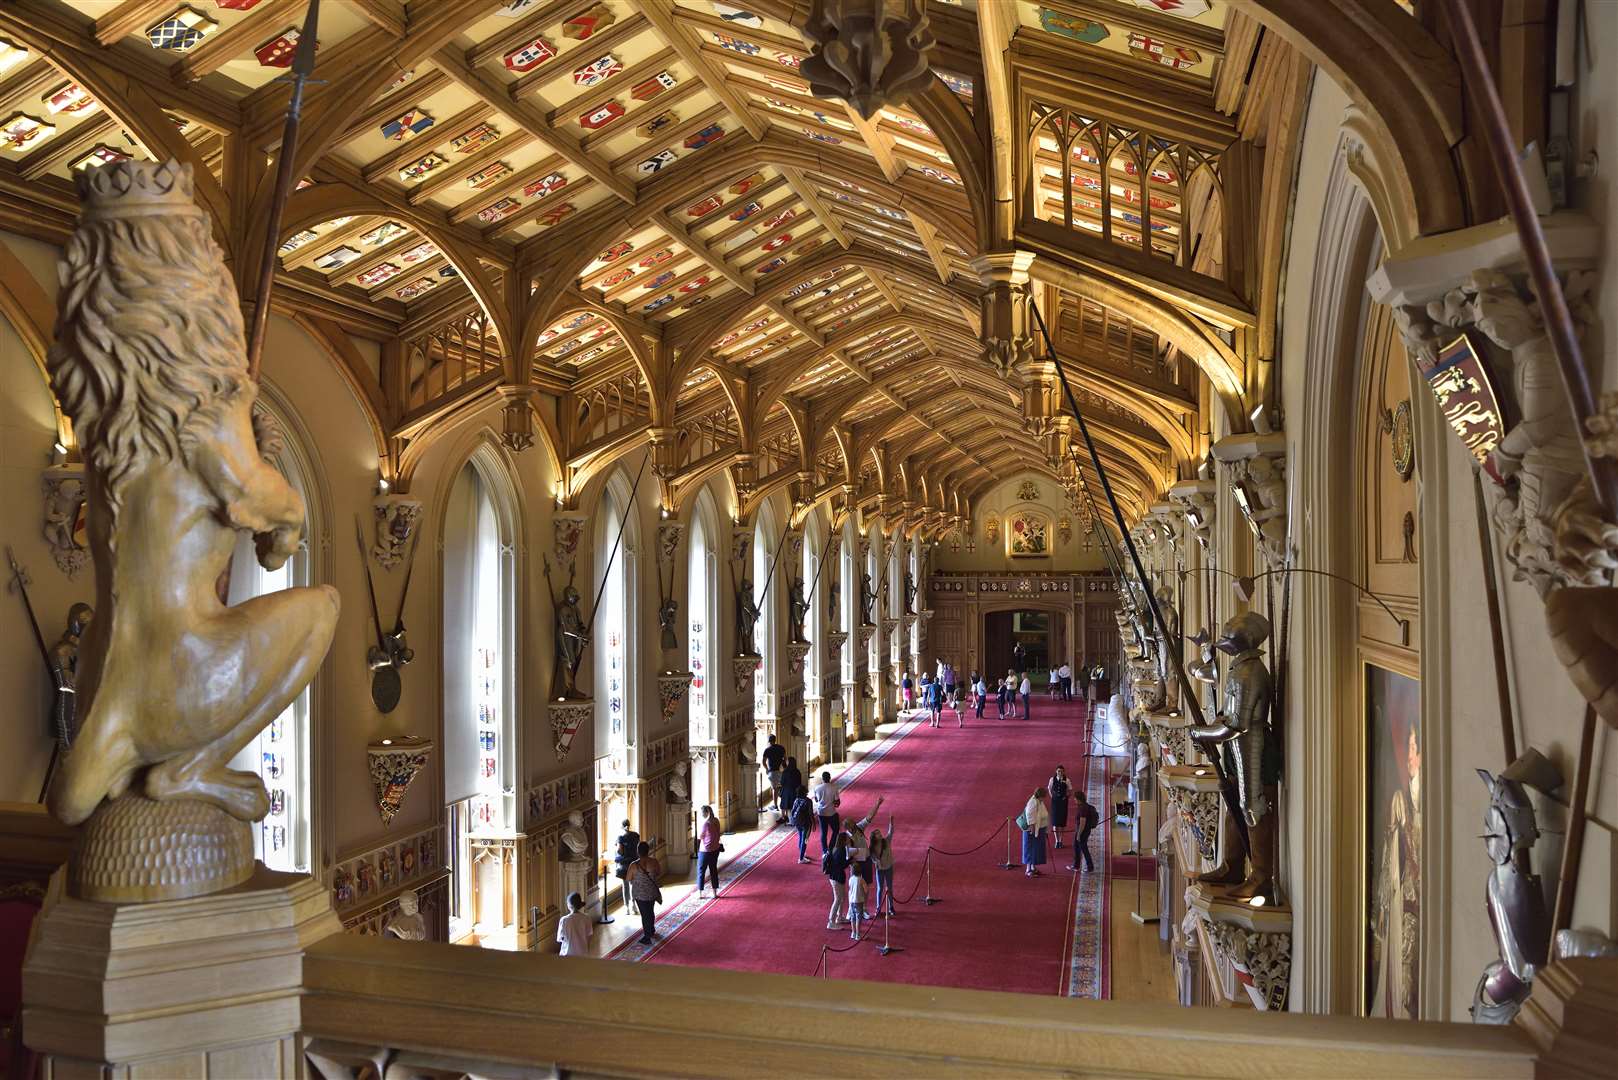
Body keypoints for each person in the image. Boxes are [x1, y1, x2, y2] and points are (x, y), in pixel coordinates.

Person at [626, 841, 662, 944]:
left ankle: (647, 936)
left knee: (644, 914)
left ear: (638, 852)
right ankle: (651, 929)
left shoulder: (633, 865)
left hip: (639, 894)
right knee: (650, 910)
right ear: (648, 851)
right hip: (652, 892)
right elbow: (659, 872)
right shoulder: (654, 862)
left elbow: (628, 879)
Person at [823, 830, 851, 930]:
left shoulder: (838, 848)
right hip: (836, 877)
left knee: (842, 897)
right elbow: (842, 865)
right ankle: (831, 922)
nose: (849, 839)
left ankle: (839, 917)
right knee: (838, 899)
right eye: (848, 838)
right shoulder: (841, 851)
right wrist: (851, 860)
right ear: (844, 840)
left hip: (836, 876)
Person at [870, 817, 897, 916]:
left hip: (889, 867)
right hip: (880, 870)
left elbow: (890, 833)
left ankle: (891, 907)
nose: (880, 834)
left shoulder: (886, 841)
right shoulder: (872, 848)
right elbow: (872, 858)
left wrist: (891, 823)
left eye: (879, 833)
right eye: (877, 833)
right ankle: (878, 908)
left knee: (889, 888)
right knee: (880, 888)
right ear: (874, 837)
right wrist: (876, 861)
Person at [1069, 791, 1101, 873]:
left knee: (1084, 849)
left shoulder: (1082, 808)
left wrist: (1079, 835)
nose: (1074, 800)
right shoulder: (1085, 806)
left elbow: (1082, 823)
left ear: (1079, 799)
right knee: (1077, 847)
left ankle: (1090, 867)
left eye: (1075, 798)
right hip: (1085, 830)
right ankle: (1076, 865)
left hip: (1082, 831)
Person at [1022, 787, 1050, 877]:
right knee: (1030, 849)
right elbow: (1029, 815)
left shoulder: (1039, 801)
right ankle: (1028, 869)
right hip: (1032, 830)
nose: (1044, 798)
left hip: (1039, 829)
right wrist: (1032, 829)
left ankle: (1033, 867)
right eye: (1044, 796)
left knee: (1036, 850)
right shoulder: (1033, 802)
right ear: (1040, 795)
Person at [695, 804, 722, 898]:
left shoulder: (705, 824)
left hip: (705, 851)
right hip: (715, 849)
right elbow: (719, 833)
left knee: (701, 870)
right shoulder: (716, 821)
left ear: (705, 813)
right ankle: (715, 893)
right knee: (713, 870)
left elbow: (700, 837)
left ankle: (700, 893)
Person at [613, 819, 640, 912]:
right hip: (634, 862)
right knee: (633, 884)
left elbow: (619, 851)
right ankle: (634, 905)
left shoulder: (621, 837)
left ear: (622, 826)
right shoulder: (636, 835)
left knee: (625, 885)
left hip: (624, 864)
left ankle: (627, 907)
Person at [812, 770, 841, 852]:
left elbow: (816, 800)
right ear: (830, 778)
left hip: (821, 813)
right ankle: (831, 847)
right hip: (831, 812)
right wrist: (835, 803)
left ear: (822, 779)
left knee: (823, 833)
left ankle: (825, 850)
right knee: (836, 830)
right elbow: (837, 802)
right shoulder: (834, 787)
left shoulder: (817, 788)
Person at [556, 891, 592, 956]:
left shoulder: (564, 920)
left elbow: (560, 938)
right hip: (582, 953)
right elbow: (589, 936)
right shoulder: (587, 918)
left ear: (569, 905)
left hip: (567, 953)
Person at [1048, 765, 1072, 850]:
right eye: (1058, 771)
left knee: (1062, 822)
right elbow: (1049, 788)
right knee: (1055, 822)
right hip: (1055, 803)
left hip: (1063, 803)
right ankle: (1056, 840)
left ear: (1064, 772)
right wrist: (1052, 797)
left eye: (1061, 771)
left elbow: (1070, 790)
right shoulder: (1052, 779)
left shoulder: (1067, 780)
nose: (1060, 773)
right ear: (1056, 771)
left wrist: (1066, 797)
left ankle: (1061, 840)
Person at [789, 788, 815, 863]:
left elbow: (793, 810)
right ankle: (801, 858)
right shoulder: (808, 801)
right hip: (805, 822)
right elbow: (810, 813)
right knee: (805, 839)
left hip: (797, 821)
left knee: (800, 837)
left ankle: (802, 852)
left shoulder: (797, 799)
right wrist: (813, 823)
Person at [847, 853, 870, 941]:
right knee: (858, 918)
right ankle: (858, 934)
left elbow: (850, 888)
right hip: (859, 900)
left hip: (852, 901)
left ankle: (853, 933)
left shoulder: (851, 879)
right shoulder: (861, 879)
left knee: (853, 917)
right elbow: (866, 889)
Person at [761, 734, 786, 813]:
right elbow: (785, 758)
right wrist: (782, 765)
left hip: (772, 772)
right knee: (781, 787)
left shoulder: (767, 750)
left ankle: (775, 805)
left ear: (769, 741)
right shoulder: (781, 748)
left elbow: (763, 762)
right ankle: (783, 803)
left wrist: (767, 769)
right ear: (775, 740)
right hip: (781, 770)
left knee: (774, 789)